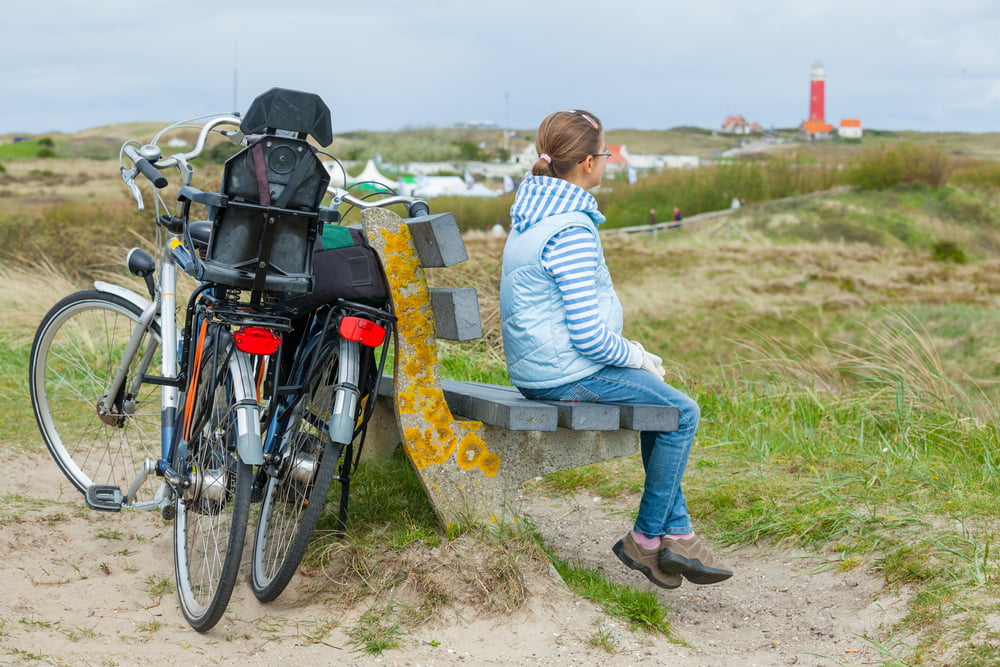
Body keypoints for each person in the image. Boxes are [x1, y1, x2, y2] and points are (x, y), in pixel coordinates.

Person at [499, 109, 732, 590]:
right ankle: (646, 541)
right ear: (587, 162)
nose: (606, 161)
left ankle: (679, 534)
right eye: (605, 153)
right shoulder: (569, 230)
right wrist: (637, 355)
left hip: (536, 369)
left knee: (658, 402)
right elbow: (588, 337)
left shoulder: (531, 216)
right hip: (566, 372)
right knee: (681, 412)